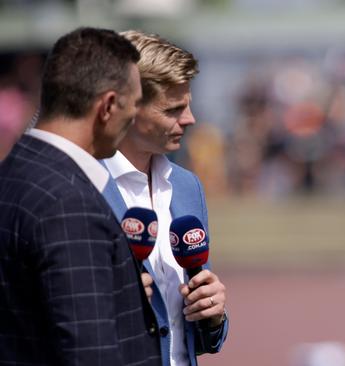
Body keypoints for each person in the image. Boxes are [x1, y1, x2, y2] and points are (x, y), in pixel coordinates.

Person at [0, 27, 161, 365]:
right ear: (108, 106)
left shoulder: (15, 172)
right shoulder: (67, 203)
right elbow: (91, 352)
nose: (133, 119)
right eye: (134, 106)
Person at [100, 30, 228, 366]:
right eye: (173, 109)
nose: (190, 119)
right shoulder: (79, 185)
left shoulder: (186, 186)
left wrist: (211, 315)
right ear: (124, 108)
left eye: (188, 105)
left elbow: (185, 337)